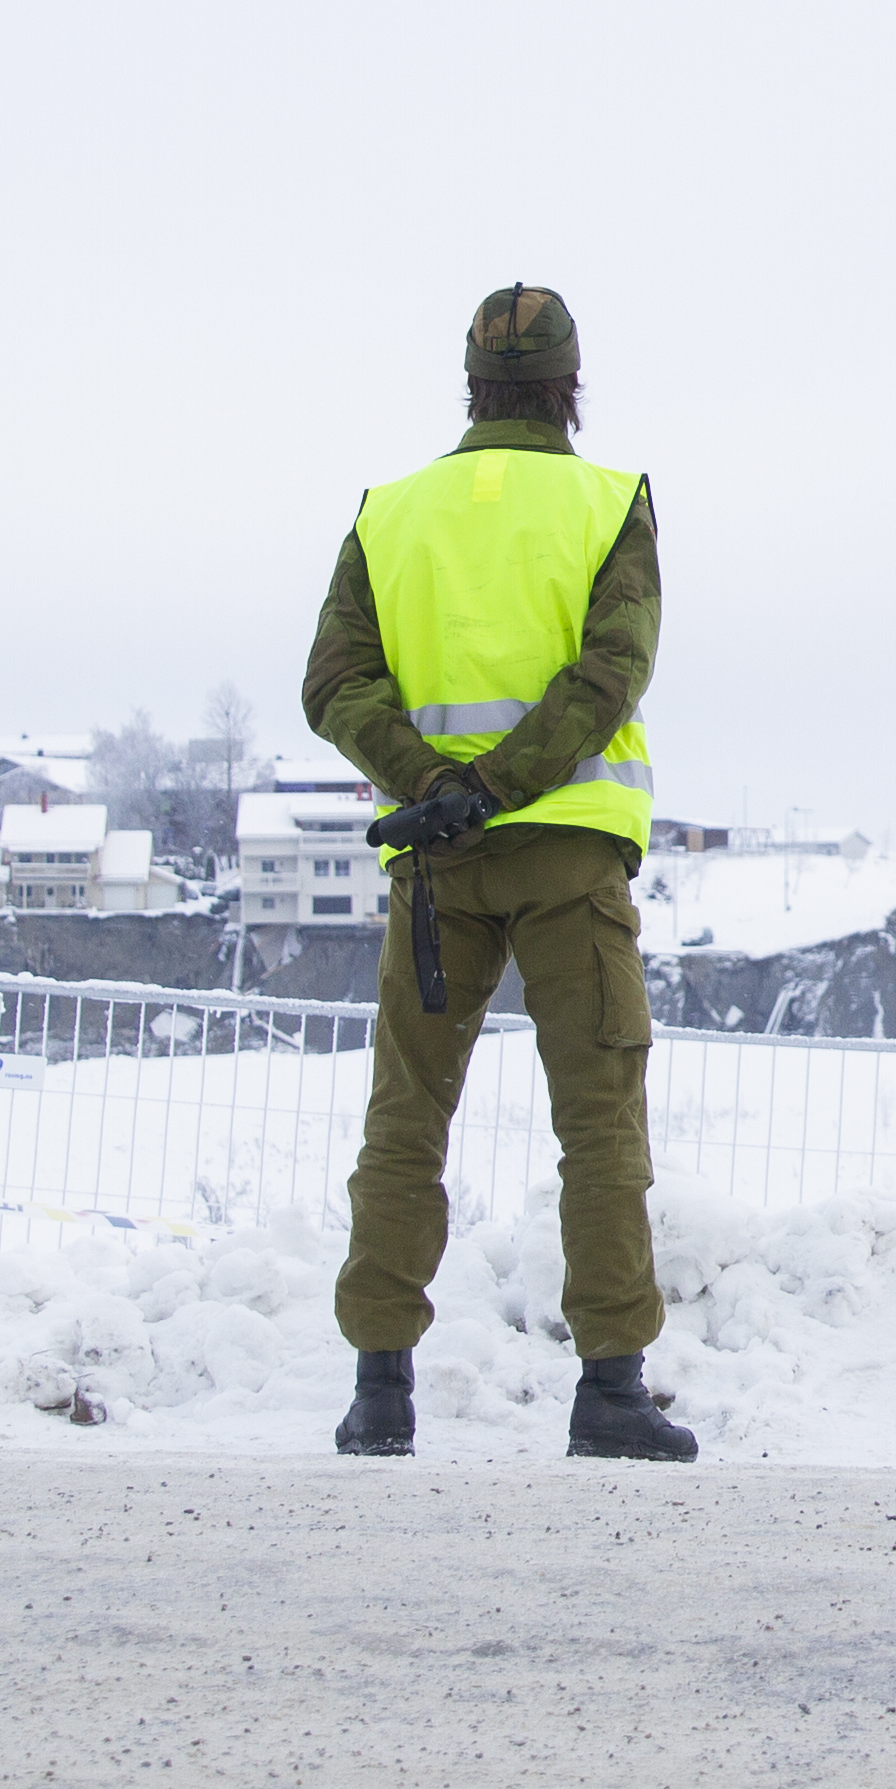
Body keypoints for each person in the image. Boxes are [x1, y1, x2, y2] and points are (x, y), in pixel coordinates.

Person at [301, 286, 688, 1461]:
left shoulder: (389, 514)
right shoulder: (610, 502)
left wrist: (434, 786)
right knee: (598, 1122)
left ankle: (380, 1393)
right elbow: (609, 672)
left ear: (469, 384)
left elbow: (334, 685)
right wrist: (506, 784)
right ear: (570, 385)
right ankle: (611, 1392)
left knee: (406, 1120)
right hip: (566, 854)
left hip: (432, 867)